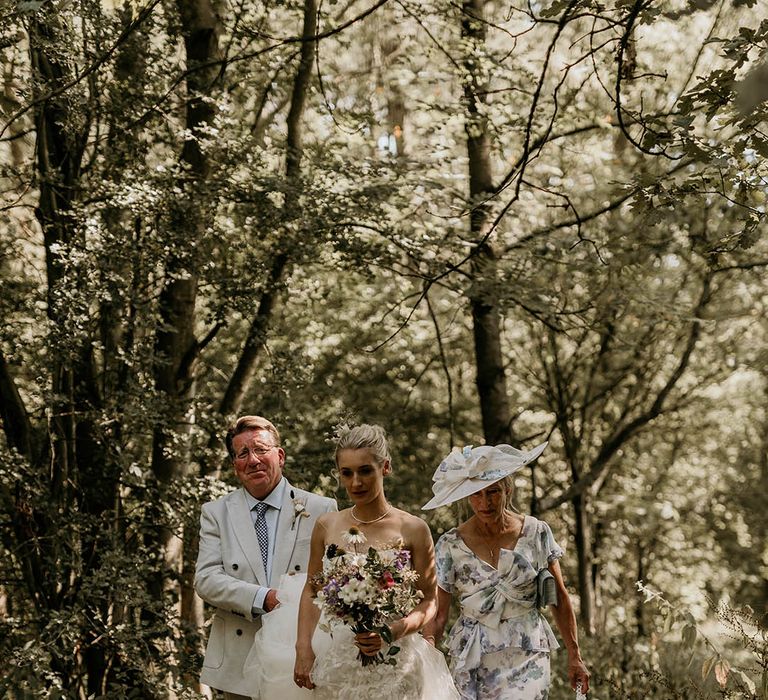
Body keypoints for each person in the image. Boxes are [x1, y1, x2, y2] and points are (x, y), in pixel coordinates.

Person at [292, 424, 459, 699]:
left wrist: (393, 630)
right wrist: (303, 647)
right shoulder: (326, 525)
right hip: (340, 663)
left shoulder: (414, 528)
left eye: (365, 470)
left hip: (397, 665)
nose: (356, 482)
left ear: (385, 468)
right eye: (347, 473)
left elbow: (430, 601)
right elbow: (313, 590)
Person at [422, 443, 590, 699]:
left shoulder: (537, 532)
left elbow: (559, 597)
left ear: (507, 490)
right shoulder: (450, 544)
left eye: (493, 492)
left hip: (526, 651)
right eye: (477, 494)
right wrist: (427, 654)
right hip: (473, 654)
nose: (485, 502)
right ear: (468, 496)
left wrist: (575, 655)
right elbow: (439, 613)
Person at [195, 415, 337, 700]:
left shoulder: (322, 508)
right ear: (235, 466)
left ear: (280, 455)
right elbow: (206, 579)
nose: (253, 460)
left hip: (303, 654)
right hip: (239, 659)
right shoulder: (215, 513)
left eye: (261, 449)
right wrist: (263, 597)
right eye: (243, 453)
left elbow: (334, 580)